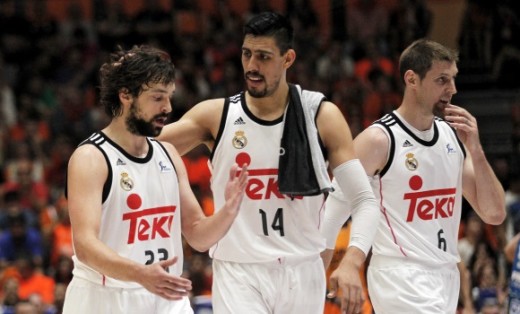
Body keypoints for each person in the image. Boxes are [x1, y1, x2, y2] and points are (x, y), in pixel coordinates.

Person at [158, 11, 379, 314]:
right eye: (247, 54)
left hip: (302, 271)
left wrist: (353, 260)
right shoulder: (216, 116)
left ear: (288, 59)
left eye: (263, 57)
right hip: (239, 271)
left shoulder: (321, 116)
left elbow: (365, 200)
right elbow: (141, 149)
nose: (251, 66)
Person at [322, 39, 506, 313]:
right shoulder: (378, 139)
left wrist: (476, 150)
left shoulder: (452, 139)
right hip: (400, 275)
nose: (452, 90)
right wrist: (318, 273)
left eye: (453, 79)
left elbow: (494, 213)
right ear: (412, 79)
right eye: (442, 80)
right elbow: (334, 207)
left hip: (446, 275)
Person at [62, 45, 248, 314]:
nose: (168, 107)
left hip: (166, 296)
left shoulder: (169, 154)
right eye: (157, 98)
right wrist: (140, 274)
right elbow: (85, 245)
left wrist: (229, 209)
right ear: (126, 95)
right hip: (105, 297)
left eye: (169, 97)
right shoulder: (90, 158)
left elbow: (198, 234)